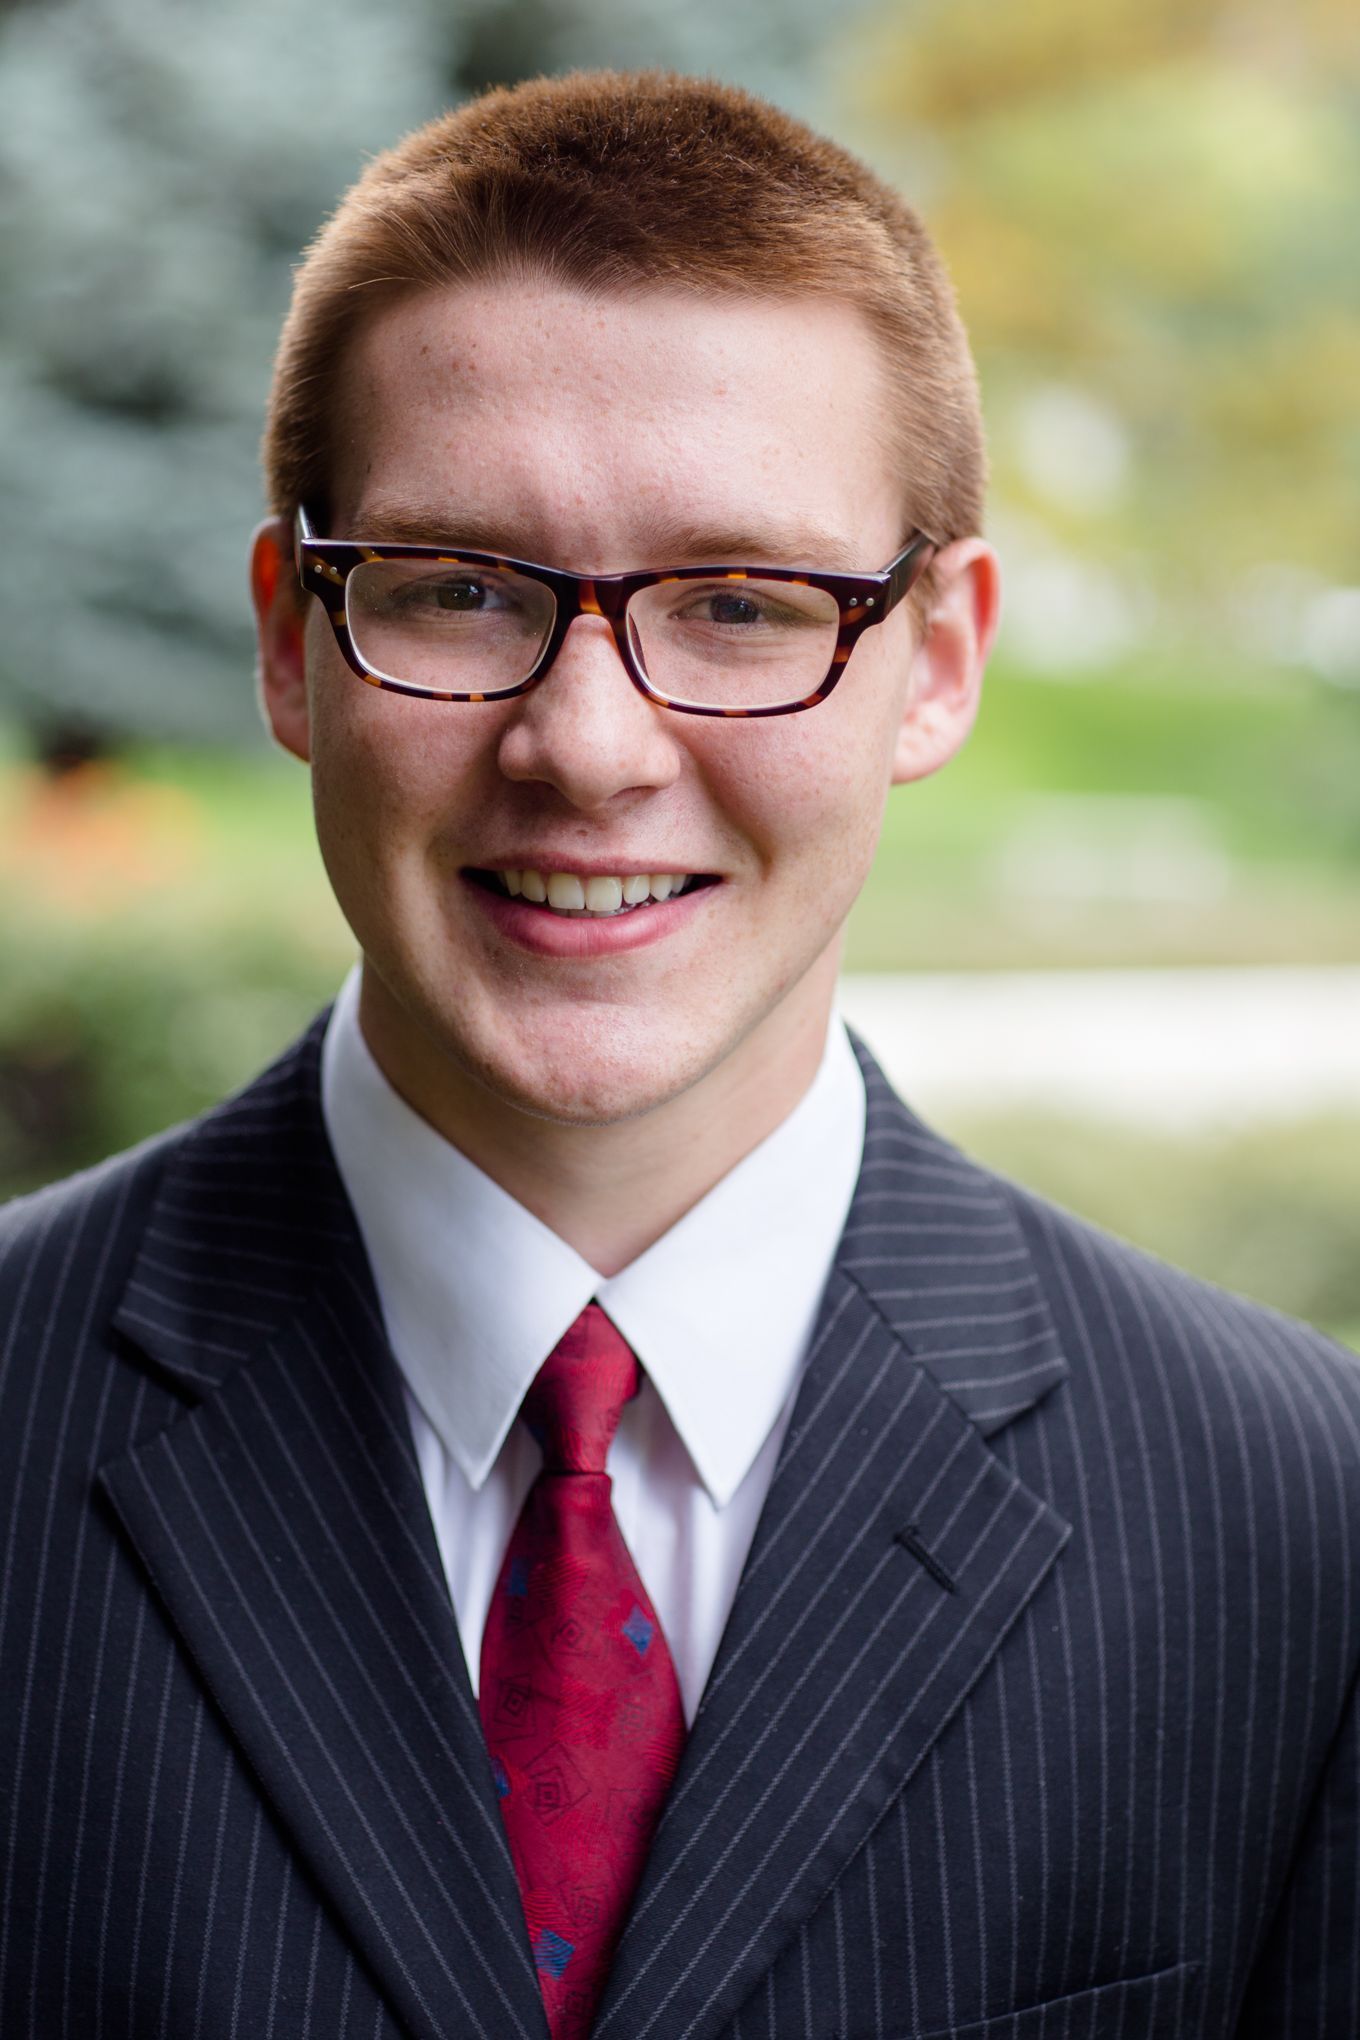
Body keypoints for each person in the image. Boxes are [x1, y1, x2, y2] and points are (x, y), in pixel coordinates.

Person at [2, 69, 1357, 2040]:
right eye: (460, 590)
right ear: (293, 641)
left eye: (738, 604)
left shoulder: (1297, 1531)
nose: (589, 746)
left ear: (942, 660)